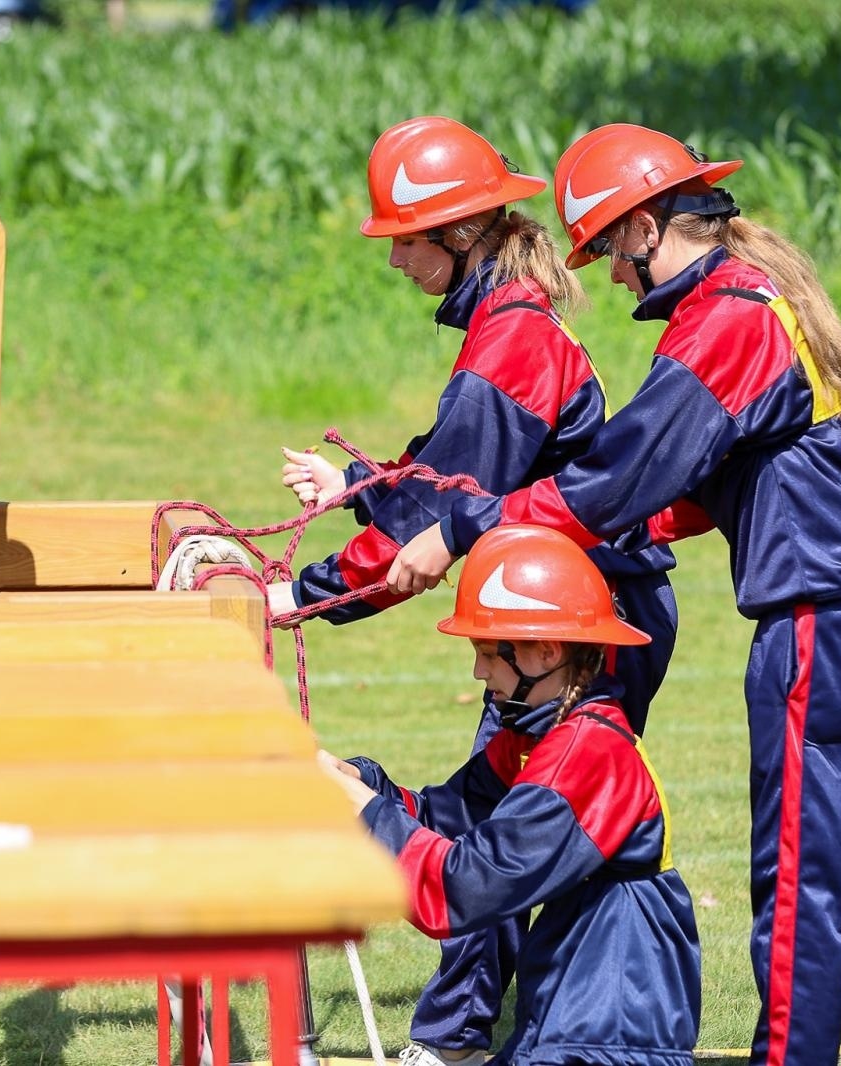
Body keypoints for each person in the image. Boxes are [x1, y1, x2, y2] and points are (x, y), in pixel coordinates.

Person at [387, 124, 841, 1065]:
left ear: (644, 223)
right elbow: (700, 490)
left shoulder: (724, 320)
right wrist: (615, 531)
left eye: (609, 253)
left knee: (802, 890)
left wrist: (467, 526)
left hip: (826, 617)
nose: (615, 279)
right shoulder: (762, 294)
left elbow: (621, 478)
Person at [267, 115, 682, 1066]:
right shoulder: (505, 325)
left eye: (402, 243)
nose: (394, 263)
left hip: (578, 626)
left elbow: (436, 532)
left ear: (457, 235)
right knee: (494, 808)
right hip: (551, 614)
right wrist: (356, 487)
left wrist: (304, 595)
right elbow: (453, 483)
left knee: (504, 827)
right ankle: (470, 1025)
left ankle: (460, 1037)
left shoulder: (512, 342)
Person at [318, 524, 701, 1066]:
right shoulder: (540, 738)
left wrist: (369, 814)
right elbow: (451, 819)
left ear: (545, 651)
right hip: (568, 1022)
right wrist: (362, 786)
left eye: (488, 652)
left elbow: (466, 890)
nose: (478, 672)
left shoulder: (588, 757)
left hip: (610, 1037)